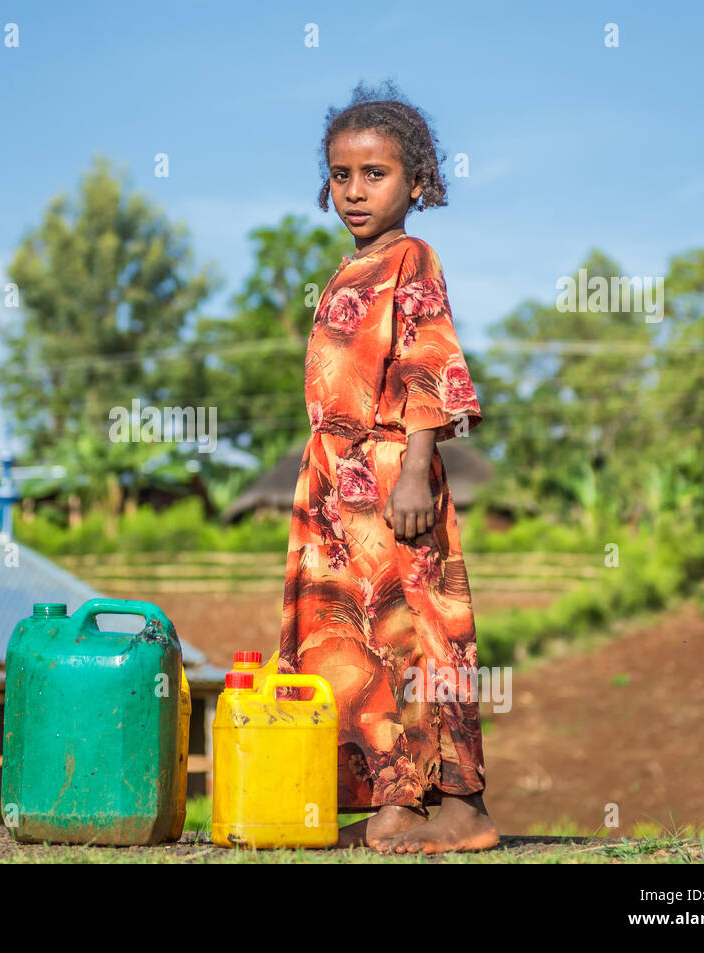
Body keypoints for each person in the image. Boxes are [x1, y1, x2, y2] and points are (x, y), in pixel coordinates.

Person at [278, 81, 499, 853]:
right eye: (342, 175)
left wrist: (414, 470)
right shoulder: (347, 269)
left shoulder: (412, 259)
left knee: (424, 638)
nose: (355, 190)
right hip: (337, 499)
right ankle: (392, 799)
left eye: (375, 174)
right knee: (349, 648)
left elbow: (426, 367)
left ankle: (464, 805)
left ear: (418, 183)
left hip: (393, 478)